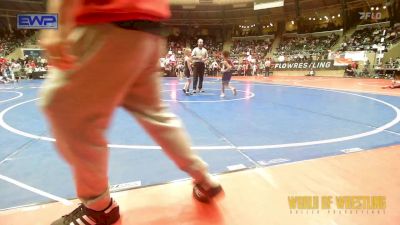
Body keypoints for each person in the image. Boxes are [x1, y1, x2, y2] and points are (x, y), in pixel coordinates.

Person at [39, 1, 223, 224]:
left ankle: (98, 208)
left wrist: (56, 24)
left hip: (105, 24)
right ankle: (204, 179)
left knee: (64, 109)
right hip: (149, 31)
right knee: (157, 115)